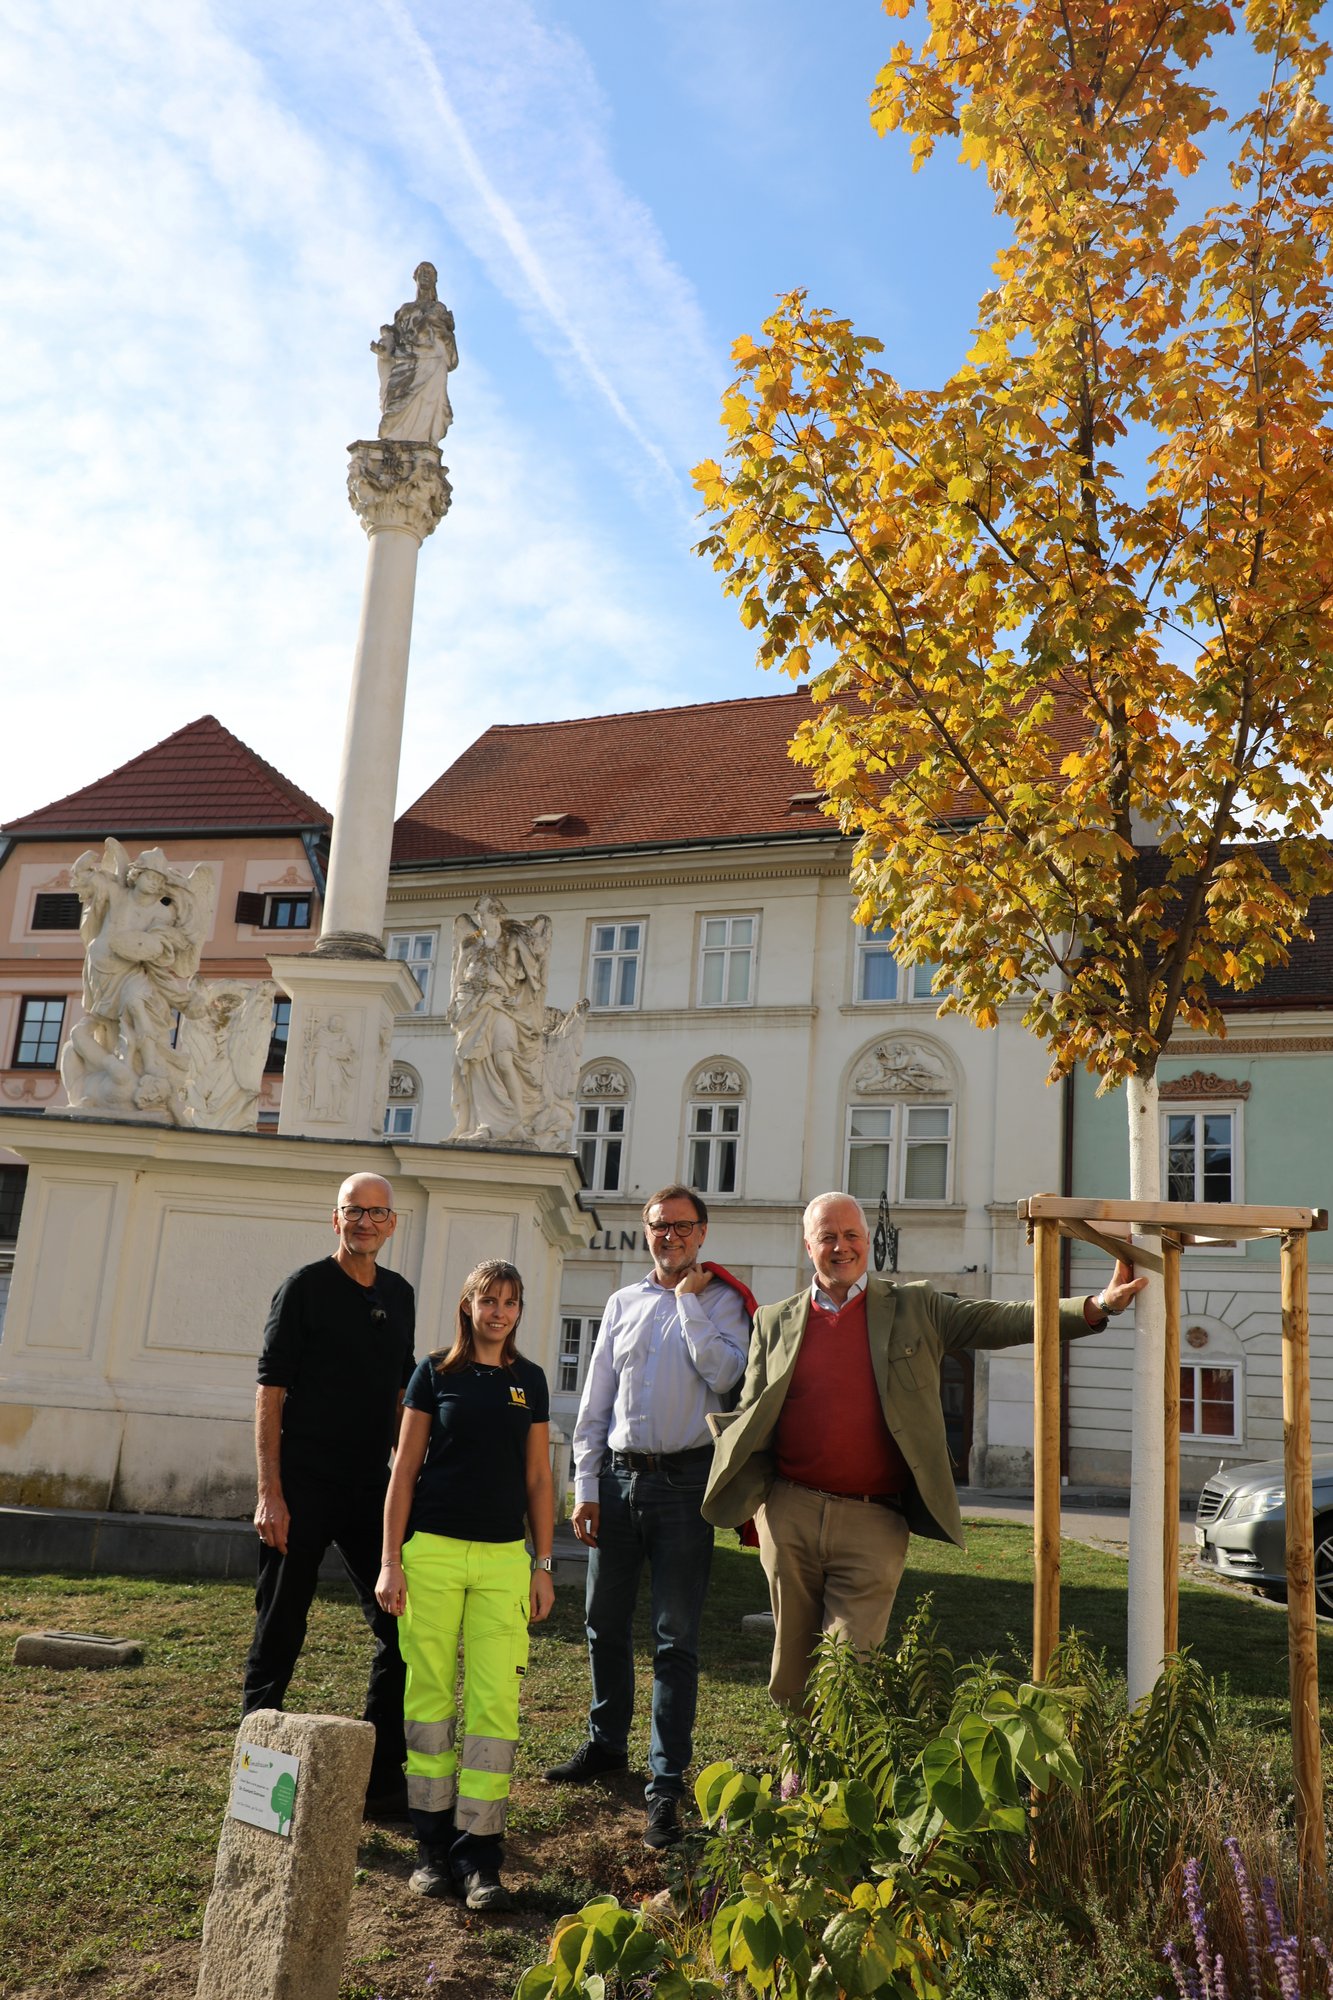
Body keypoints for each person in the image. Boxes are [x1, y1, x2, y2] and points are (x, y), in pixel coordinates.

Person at [703, 1191, 1146, 1707]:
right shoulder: (775, 1321)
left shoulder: (916, 1306)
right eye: (828, 1237)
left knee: (850, 1667)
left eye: (851, 1236)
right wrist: (752, 1493)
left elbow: (999, 1319)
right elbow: (755, 1409)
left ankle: (839, 1777)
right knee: (790, 1665)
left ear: (868, 1243)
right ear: (808, 1245)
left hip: (873, 1519)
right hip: (790, 1512)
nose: (841, 1247)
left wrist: (1097, 1306)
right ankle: (794, 1778)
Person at [544, 1186, 752, 1851]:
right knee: (603, 1621)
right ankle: (606, 1744)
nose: (669, 1237)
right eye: (659, 1227)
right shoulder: (621, 1303)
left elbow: (723, 1372)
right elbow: (595, 1399)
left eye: (681, 1227)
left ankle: (665, 1779)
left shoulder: (722, 1303)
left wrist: (688, 1300)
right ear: (645, 1232)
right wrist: (585, 1485)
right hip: (618, 1476)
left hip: (684, 1483)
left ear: (702, 1233)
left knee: (674, 1636)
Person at [376, 1260, 554, 1912]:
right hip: (433, 1559)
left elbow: (539, 1479)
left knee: (492, 1709)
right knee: (426, 1702)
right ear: (468, 1305)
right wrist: (390, 1560)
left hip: (505, 1561)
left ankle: (478, 1859)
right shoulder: (434, 1374)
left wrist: (541, 1563)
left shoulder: (528, 1381)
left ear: (517, 1309)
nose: (498, 1311)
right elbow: (403, 1472)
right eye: (488, 1299)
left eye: (509, 1301)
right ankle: (429, 1848)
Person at [242, 1171, 415, 1816]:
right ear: (335, 1219)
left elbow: (402, 1394)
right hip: (302, 1485)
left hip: (370, 1486)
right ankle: (257, 1785)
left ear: (391, 1224)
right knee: (281, 1624)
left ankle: (379, 1782)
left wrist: (406, 1474)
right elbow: (270, 1391)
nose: (366, 1222)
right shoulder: (304, 1289)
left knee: (401, 1625)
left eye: (377, 1213)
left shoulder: (399, 1294)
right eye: (354, 1211)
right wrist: (270, 1492)